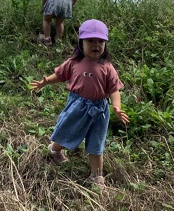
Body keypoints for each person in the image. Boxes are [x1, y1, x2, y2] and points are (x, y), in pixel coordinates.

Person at [29, 19, 129, 188]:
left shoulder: (107, 67)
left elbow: (114, 90)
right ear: (81, 42)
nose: (95, 45)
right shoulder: (74, 62)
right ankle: (54, 149)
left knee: (96, 143)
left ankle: (97, 177)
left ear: (105, 44)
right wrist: (45, 81)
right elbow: (61, 75)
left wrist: (116, 106)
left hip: (99, 111)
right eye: (90, 41)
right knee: (68, 133)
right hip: (78, 106)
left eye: (100, 41)